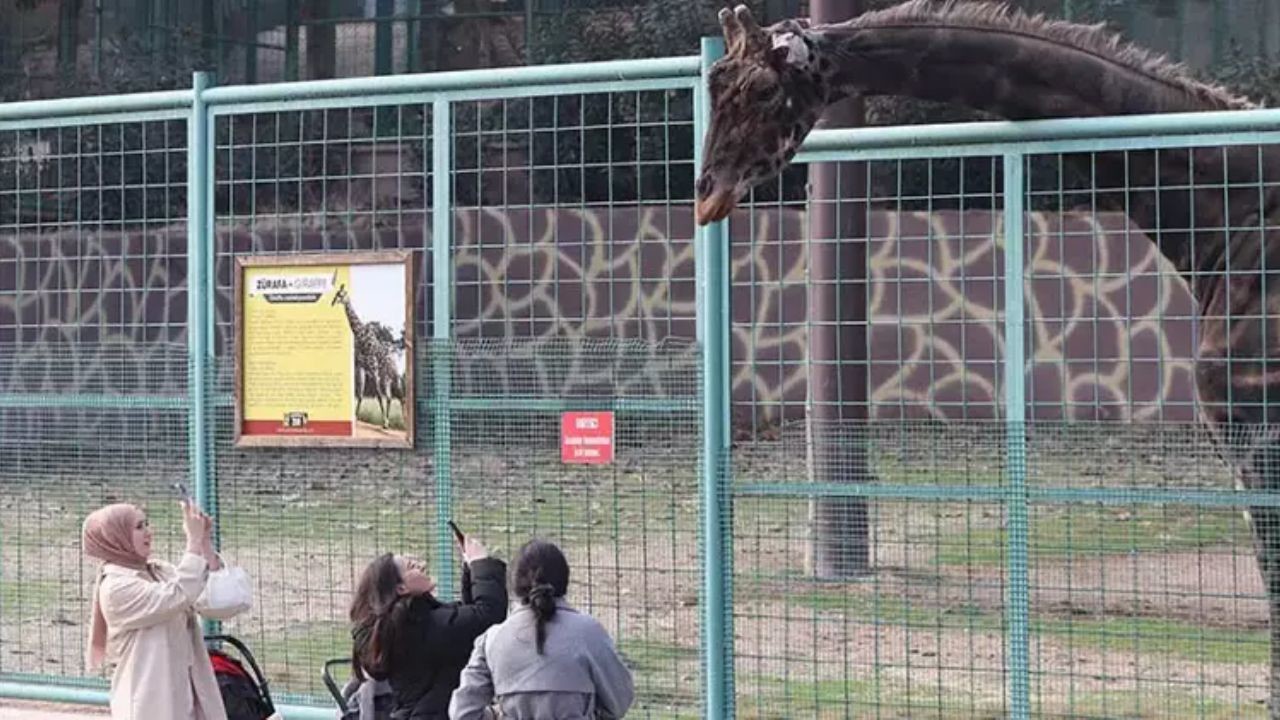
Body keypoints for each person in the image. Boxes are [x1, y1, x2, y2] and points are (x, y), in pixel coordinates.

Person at [448, 539, 635, 720]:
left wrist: (497, 714)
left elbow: (463, 712)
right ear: (564, 580)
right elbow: (620, 701)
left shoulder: (492, 640)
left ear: (514, 584)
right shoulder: (589, 633)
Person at [82, 499, 233, 720]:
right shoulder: (116, 588)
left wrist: (204, 544)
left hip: (187, 698)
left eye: (147, 524)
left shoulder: (159, 571)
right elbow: (178, 595)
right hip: (150, 705)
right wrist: (192, 541)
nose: (148, 532)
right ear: (116, 537)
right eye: (138, 527)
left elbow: (214, 600)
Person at [350, 535, 508, 720]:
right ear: (401, 589)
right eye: (412, 567)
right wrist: (481, 563)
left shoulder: (409, 624)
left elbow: (468, 626)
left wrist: (470, 570)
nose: (422, 565)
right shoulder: (420, 626)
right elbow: (488, 616)